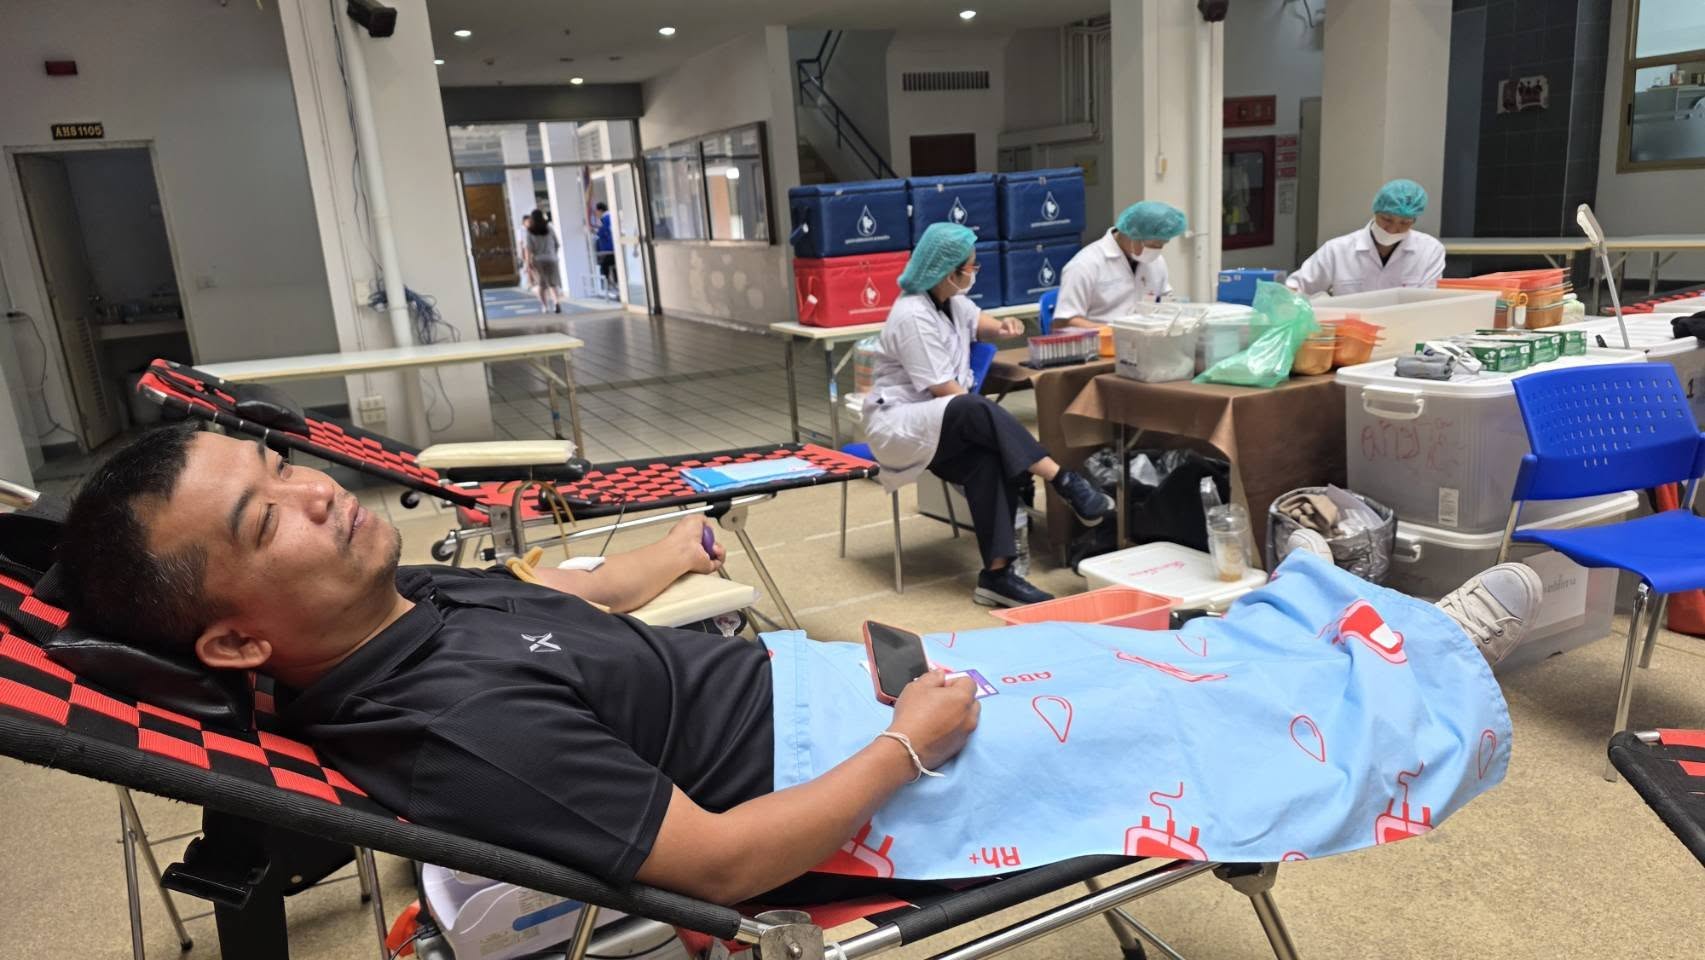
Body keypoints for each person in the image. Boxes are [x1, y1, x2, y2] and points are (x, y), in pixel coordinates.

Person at [58, 426, 1541, 903]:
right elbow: (714, 867)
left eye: (279, 466)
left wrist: (668, 554)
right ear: (235, 633)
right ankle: (1426, 674)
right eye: (266, 515)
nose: (317, 492)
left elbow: (552, 591)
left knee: (1133, 643)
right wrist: (910, 746)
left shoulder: (400, 607)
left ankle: (1321, 615)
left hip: (807, 692)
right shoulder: (453, 728)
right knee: (1171, 732)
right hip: (840, 781)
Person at [862, 223, 1117, 608]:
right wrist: (990, 424)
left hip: (940, 424)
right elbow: (945, 391)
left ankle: (997, 576)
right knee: (972, 407)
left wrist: (1003, 327)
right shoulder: (912, 315)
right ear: (949, 273)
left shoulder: (951, 301)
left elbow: (978, 323)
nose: (975, 271)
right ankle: (1063, 480)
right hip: (900, 425)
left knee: (988, 459)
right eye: (971, 266)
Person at [1287, 179, 1446, 297]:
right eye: (1386, 219)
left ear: (1414, 220)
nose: (1392, 229)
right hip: (1350, 328)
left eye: (1404, 223)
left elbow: (1428, 300)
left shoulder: (1430, 250)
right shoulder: (1337, 250)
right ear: (1375, 212)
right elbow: (1295, 288)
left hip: (1406, 326)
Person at [1054, 201, 1189, 328]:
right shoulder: (1085, 265)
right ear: (1132, 235)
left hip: (1145, 339)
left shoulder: (1156, 262)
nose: (1157, 250)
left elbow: (1166, 303)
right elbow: (1064, 322)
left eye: (1162, 244)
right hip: (1102, 340)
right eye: (1153, 245)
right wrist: (1112, 333)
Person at [523, 208, 563, 314]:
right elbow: (557, 244)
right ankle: (556, 303)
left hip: (538, 260)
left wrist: (528, 263)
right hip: (551, 259)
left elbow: (528, 249)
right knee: (552, 283)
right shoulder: (549, 228)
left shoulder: (530, 231)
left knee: (541, 284)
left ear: (532, 219)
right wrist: (553, 254)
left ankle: (545, 306)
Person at [593, 201, 617, 298]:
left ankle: (607, 288)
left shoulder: (605, 219)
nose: (595, 214)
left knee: (604, 267)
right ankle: (613, 286)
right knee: (613, 267)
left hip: (608, 249)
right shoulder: (610, 217)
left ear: (600, 210)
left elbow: (603, 232)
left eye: (596, 211)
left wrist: (595, 231)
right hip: (612, 249)